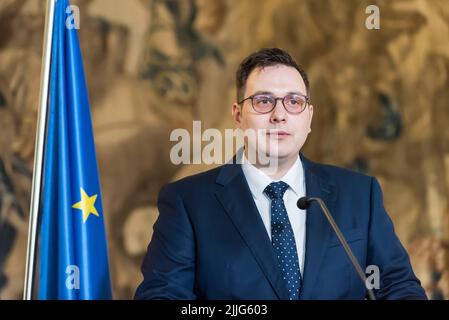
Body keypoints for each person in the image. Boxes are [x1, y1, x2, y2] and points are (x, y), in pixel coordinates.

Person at [135, 48, 427, 300]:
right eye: (263, 101)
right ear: (238, 115)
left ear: (309, 117)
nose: (279, 114)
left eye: (294, 101)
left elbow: (399, 287)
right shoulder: (187, 202)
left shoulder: (360, 195)